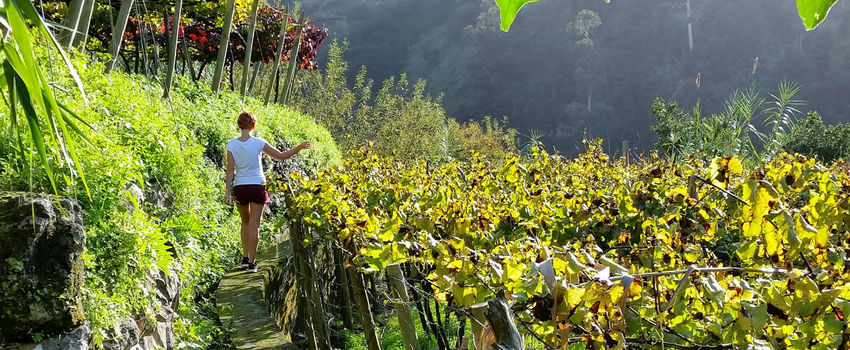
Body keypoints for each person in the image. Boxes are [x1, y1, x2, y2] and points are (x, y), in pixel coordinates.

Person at [224, 111, 310, 272]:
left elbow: (230, 170)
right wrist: (299, 147)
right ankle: (252, 262)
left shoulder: (232, 144)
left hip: (239, 186)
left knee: (245, 222)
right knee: (254, 225)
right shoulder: (258, 142)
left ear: (239, 125)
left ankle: (244, 258)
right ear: (253, 125)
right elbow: (281, 156)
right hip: (257, 185)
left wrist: (227, 191)